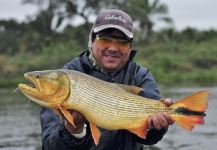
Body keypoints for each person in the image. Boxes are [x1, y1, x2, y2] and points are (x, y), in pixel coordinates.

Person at [40, 9, 175, 150]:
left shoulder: (140, 75)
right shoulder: (65, 79)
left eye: (122, 42)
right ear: (92, 41)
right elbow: (49, 145)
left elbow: (149, 139)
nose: (113, 48)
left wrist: (156, 128)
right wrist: (73, 130)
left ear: (130, 47)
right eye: (105, 40)